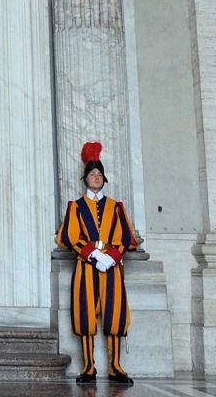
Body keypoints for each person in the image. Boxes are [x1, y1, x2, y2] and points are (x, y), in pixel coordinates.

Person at [56, 141, 138, 386]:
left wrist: (111, 256)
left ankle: (115, 366)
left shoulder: (116, 207)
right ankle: (88, 366)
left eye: (99, 174)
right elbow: (69, 237)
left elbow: (126, 238)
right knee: (85, 316)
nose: (96, 177)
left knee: (114, 315)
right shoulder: (76, 207)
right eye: (92, 174)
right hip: (86, 267)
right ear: (85, 178)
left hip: (112, 268)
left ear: (104, 179)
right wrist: (93, 254)